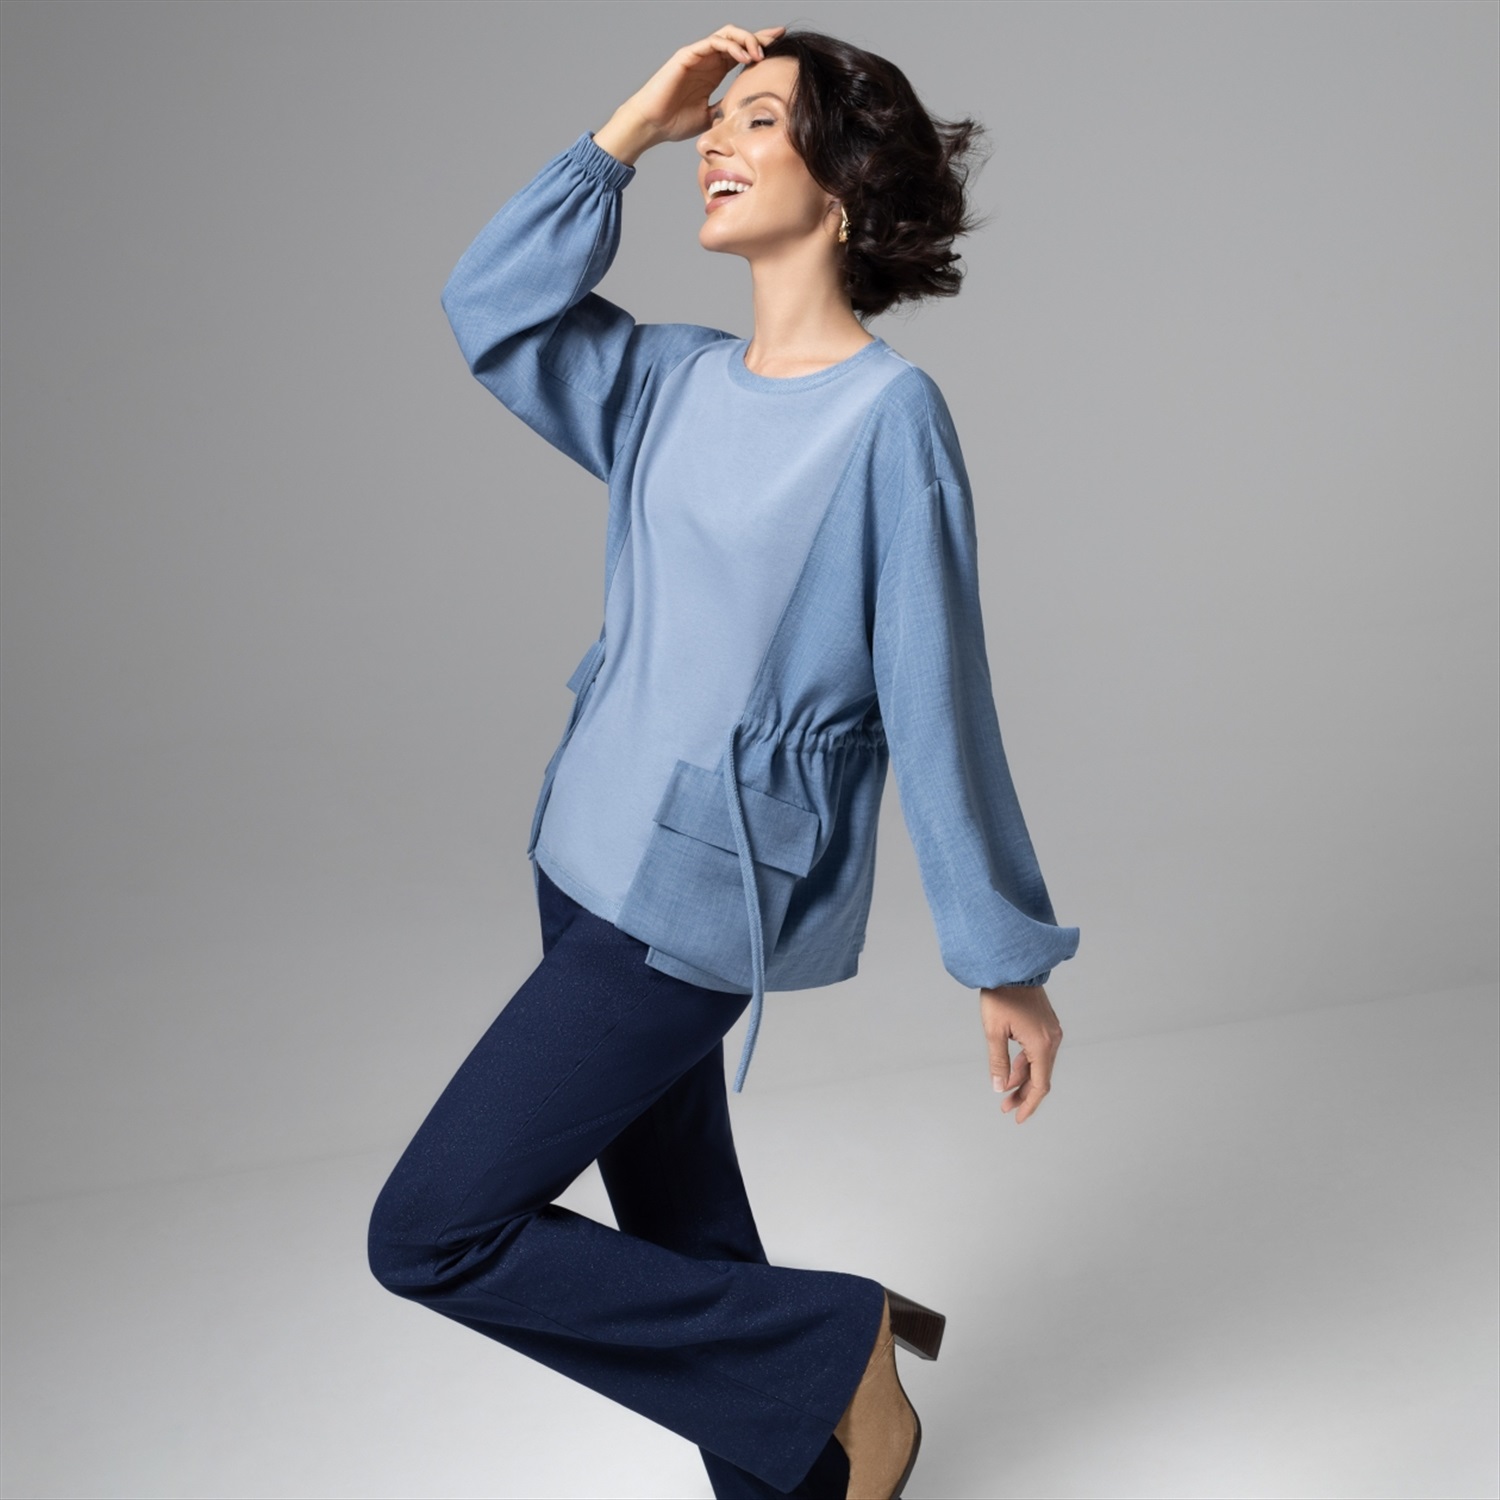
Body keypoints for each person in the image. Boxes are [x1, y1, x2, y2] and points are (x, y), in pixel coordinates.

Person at [367, 22, 1080, 1500]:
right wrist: (623, 131)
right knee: (686, 1231)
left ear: (844, 182)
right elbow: (487, 304)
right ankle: (806, 1475)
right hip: (578, 851)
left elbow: (939, 699)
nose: (719, 143)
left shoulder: (887, 420)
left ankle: (835, 1338)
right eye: (719, 120)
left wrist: (1002, 955)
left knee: (431, 1232)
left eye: (760, 120)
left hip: (700, 896)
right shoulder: (667, 381)